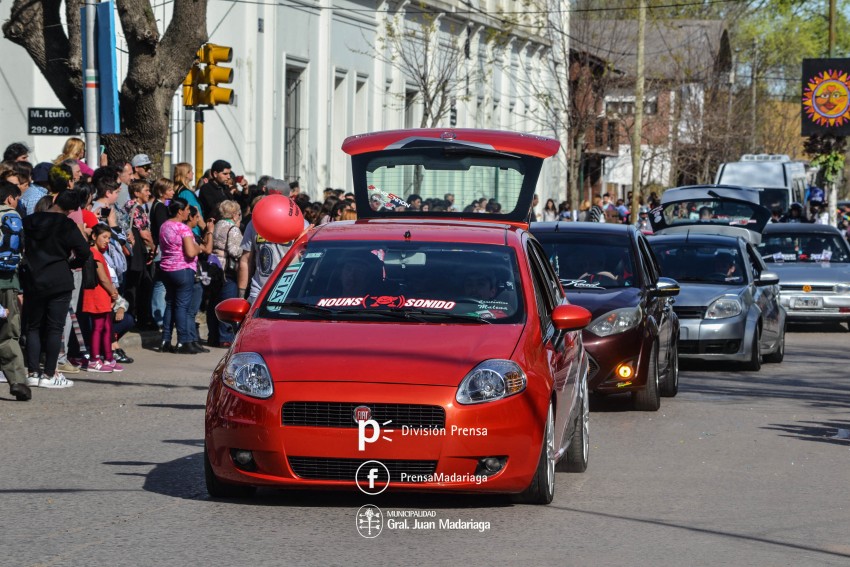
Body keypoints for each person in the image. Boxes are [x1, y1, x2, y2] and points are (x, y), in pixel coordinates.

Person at [21, 190, 90, 388]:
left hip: (34, 277)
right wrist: (72, 262)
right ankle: (50, 374)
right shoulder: (66, 224)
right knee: (54, 327)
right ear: (69, 210)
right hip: (59, 277)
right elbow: (84, 251)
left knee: (32, 326)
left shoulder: (30, 220)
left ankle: (33, 371)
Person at [159, 197, 214, 353]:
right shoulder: (183, 228)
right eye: (188, 209)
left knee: (170, 304)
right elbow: (190, 252)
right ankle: (183, 341)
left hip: (166, 268)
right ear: (180, 211)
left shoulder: (164, 225)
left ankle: (166, 339)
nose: (189, 212)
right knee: (182, 306)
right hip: (182, 269)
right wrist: (199, 249)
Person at [0, 182, 30, 400]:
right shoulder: (12, 216)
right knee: (8, 334)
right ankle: (18, 381)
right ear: (10, 198)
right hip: (7, 282)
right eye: (17, 198)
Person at [82, 225, 121, 373]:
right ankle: (94, 359)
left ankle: (108, 358)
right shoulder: (94, 253)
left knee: (107, 327)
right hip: (97, 294)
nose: (107, 241)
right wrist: (113, 292)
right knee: (98, 328)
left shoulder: (99, 253)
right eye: (104, 237)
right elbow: (103, 278)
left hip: (103, 295)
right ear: (94, 237)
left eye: (109, 238)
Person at [207, 200, 242, 348]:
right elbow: (234, 251)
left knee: (213, 302)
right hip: (227, 269)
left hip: (213, 266)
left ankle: (213, 336)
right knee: (227, 302)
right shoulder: (232, 228)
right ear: (234, 214)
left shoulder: (217, 225)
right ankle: (225, 337)